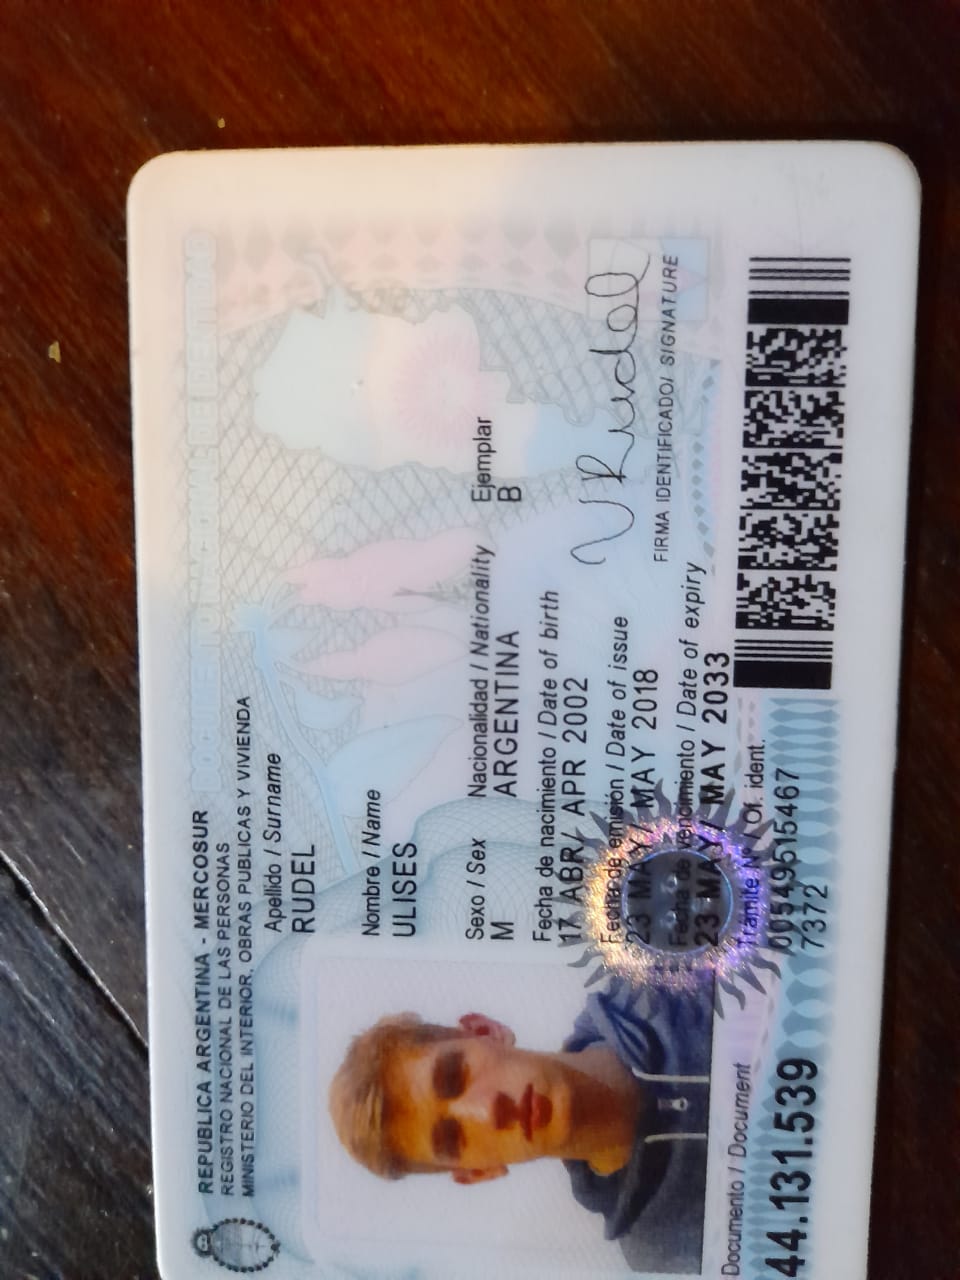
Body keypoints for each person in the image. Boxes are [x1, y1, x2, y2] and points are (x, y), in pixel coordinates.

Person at [329, 974, 714, 1272]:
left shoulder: (665, 968)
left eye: (454, 1075)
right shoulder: (666, 1256)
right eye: (454, 1138)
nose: (488, 1112)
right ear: (478, 1171)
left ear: (485, 1031)